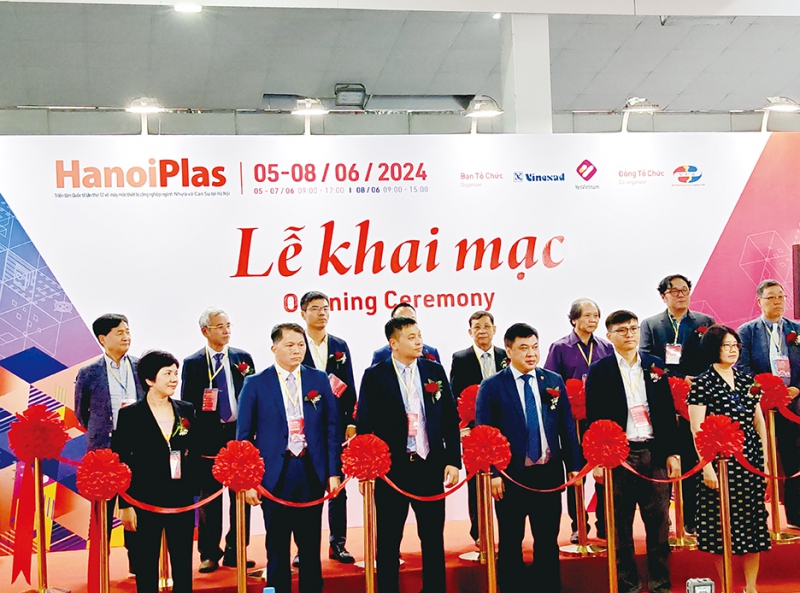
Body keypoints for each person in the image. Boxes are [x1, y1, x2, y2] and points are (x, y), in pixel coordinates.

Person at [357, 316, 461, 593]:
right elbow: (365, 425)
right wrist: (367, 470)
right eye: (411, 337)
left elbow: (450, 418)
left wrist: (453, 460)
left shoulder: (433, 370)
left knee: (433, 538)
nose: (419, 342)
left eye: (419, 336)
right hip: (392, 470)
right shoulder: (375, 376)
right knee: (388, 540)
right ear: (394, 343)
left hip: (430, 466)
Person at [476, 323, 581, 593]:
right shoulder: (492, 386)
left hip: (547, 474)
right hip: (511, 477)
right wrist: (494, 473)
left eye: (535, 347)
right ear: (508, 350)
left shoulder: (552, 381)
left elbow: (567, 427)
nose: (531, 353)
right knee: (511, 541)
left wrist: (574, 466)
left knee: (547, 540)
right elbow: (485, 434)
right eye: (523, 348)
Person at [237, 323, 341, 593]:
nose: (297, 350)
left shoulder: (319, 379)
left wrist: (333, 472)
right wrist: (248, 481)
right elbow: (244, 437)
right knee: (277, 546)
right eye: (290, 345)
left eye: (301, 345)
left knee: (310, 546)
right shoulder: (256, 383)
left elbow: (332, 426)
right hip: (274, 475)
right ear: (274, 348)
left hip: (311, 470)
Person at [585, 310, 681, 593]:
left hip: (654, 452)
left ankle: (660, 584)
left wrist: (672, 452)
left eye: (633, 328)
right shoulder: (600, 370)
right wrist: (598, 460)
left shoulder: (654, 364)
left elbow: (667, 411)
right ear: (609, 336)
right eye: (622, 330)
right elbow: (594, 417)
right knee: (620, 529)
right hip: (619, 457)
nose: (629, 334)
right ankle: (628, 586)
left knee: (659, 526)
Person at [688, 325, 770, 593]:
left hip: (750, 460)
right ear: (714, 348)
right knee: (721, 528)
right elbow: (697, 428)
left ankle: (751, 587)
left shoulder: (748, 380)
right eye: (727, 345)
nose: (733, 350)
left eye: (736, 345)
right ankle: (726, 586)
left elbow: (759, 422)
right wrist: (707, 468)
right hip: (719, 462)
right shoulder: (702, 383)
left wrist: (765, 462)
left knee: (753, 526)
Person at [112, 351, 197, 593]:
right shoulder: (130, 415)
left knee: (183, 563)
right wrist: (125, 505)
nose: (174, 379)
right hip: (144, 499)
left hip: (180, 499)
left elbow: (196, 447)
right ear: (150, 380)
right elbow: (120, 461)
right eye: (167, 373)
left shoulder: (185, 409)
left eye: (176, 373)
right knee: (146, 565)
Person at [180, 308, 255, 572]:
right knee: (209, 498)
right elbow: (187, 404)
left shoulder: (242, 358)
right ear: (205, 331)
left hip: (238, 433)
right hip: (207, 438)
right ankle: (209, 553)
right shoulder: (193, 362)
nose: (226, 330)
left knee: (240, 496)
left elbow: (252, 396)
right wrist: (191, 441)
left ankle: (237, 550)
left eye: (228, 325)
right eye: (219, 326)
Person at [640, 274, 715, 535]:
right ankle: (664, 519)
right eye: (675, 291)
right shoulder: (651, 325)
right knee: (666, 459)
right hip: (664, 398)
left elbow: (714, 355)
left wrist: (698, 380)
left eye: (685, 290)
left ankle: (692, 518)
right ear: (663, 296)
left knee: (693, 456)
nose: (681, 295)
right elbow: (647, 359)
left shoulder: (704, 322)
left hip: (697, 399)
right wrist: (678, 378)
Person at [74, 313, 145, 576]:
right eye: (119, 332)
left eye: (127, 331)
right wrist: (103, 432)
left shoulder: (140, 367)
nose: (126, 336)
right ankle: (99, 567)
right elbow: (81, 413)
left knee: (137, 507)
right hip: (103, 451)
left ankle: (139, 565)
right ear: (103, 339)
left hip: (137, 448)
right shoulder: (89, 372)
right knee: (102, 511)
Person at [544, 298, 613, 542]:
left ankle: (606, 523)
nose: (593, 320)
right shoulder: (560, 347)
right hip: (572, 422)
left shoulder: (606, 347)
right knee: (576, 473)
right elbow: (551, 386)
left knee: (605, 472)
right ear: (573, 319)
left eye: (596, 315)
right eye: (587, 315)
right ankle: (578, 525)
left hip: (600, 420)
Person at [737, 279, 800, 530]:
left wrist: (796, 388)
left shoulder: (796, 329)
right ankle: (754, 519)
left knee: (793, 457)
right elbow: (742, 366)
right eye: (771, 297)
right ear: (760, 301)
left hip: (793, 403)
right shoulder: (747, 331)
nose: (777, 301)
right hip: (760, 403)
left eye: (781, 296)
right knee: (758, 457)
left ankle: (795, 516)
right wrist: (764, 388)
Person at [299, 291, 356, 564]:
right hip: (305, 427)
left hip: (336, 427)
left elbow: (349, 384)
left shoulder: (339, 345)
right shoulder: (296, 344)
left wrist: (352, 421)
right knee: (306, 489)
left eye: (325, 308)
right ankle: (303, 548)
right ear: (303, 313)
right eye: (315, 308)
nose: (322, 313)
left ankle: (338, 543)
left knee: (337, 488)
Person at [450, 310, 507, 547]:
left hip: (504, 431)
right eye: (477, 327)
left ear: (494, 329)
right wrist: (462, 427)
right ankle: (480, 532)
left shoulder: (506, 355)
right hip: (474, 432)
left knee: (504, 480)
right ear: (470, 331)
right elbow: (455, 396)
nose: (482, 331)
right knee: (476, 484)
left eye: (486, 326)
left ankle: (506, 532)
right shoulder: (461, 358)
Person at [371, 302, 441, 364]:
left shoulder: (431, 352)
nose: (408, 324)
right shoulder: (381, 355)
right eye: (402, 320)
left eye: (412, 319)